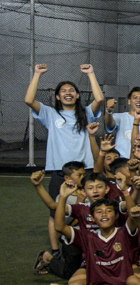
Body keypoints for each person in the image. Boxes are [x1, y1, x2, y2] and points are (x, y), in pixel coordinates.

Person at [48, 187, 139, 285]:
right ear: (92, 217)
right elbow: (59, 227)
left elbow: (133, 215)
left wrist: (125, 191)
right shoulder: (87, 237)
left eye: (109, 211)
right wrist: (62, 197)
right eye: (99, 212)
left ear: (117, 215)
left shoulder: (124, 233)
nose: (104, 214)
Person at [25, 64, 105, 197]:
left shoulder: (86, 113)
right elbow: (28, 100)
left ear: (77, 95)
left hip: (85, 168)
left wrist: (91, 73)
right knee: (58, 210)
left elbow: (100, 99)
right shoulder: (50, 114)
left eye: (71, 90)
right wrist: (37, 74)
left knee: (86, 209)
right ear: (57, 97)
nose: (68, 93)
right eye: (63, 91)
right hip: (60, 169)